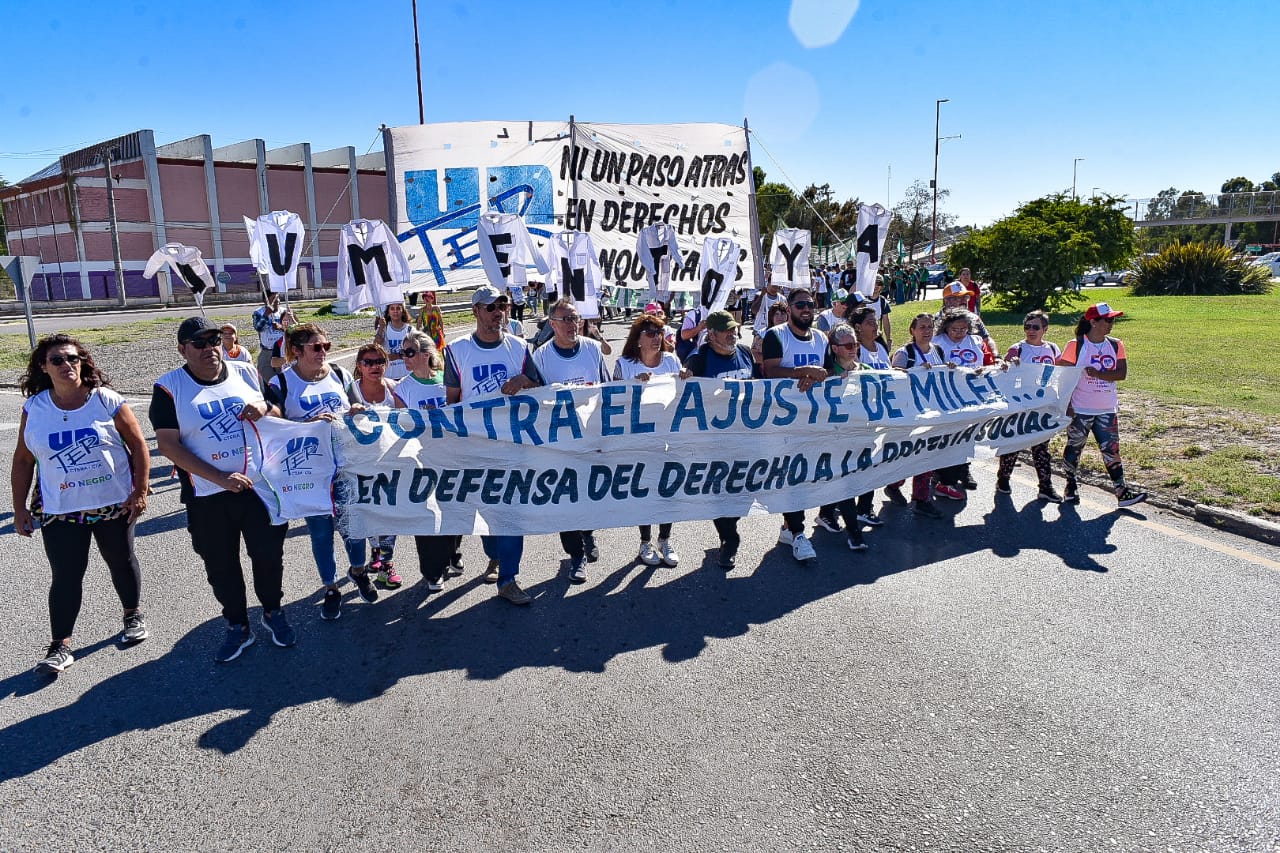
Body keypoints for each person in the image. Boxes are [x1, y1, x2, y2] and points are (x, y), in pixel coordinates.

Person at [151, 317, 293, 663]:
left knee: (268, 557)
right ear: (182, 349)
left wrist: (264, 406)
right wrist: (219, 478)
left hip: (260, 489)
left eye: (213, 339)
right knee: (221, 565)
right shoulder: (169, 387)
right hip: (208, 496)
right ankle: (237, 625)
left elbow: (277, 411)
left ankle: (273, 611)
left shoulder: (245, 372)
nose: (208, 348)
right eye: (198, 343)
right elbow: (169, 446)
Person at [12, 335, 151, 675]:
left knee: (120, 559)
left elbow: (138, 446)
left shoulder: (105, 400)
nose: (67, 365)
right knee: (66, 575)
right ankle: (60, 645)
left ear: (82, 362)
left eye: (72, 358)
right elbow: (23, 460)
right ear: (44, 368)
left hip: (111, 503)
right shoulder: (36, 408)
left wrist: (141, 491)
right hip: (60, 507)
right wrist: (19, 508)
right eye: (57, 360)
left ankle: (132, 615)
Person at [266, 323, 377, 622]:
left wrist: (355, 410)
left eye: (326, 346)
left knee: (354, 526)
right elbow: (272, 426)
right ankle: (330, 587)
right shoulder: (282, 384)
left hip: (345, 467)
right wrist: (308, 424)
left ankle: (358, 571)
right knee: (321, 533)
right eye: (317, 347)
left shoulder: (339, 374)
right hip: (309, 473)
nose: (324, 352)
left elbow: (356, 403)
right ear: (297, 351)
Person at [443, 285, 544, 605]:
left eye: (503, 304)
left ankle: (509, 579)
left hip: (512, 445)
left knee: (511, 514)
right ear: (476, 311)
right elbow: (452, 401)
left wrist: (523, 381)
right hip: (475, 447)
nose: (498, 311)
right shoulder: (457, 350)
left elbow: (540, 386)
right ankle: (495, 554)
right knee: (486, 514)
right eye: (490, 307)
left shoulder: (519, 347)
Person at [532, 299, 610, 584]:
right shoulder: (541, 356)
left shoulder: (591, 349)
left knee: (589, 493)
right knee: (566, 499)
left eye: (575, 318)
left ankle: (588, 533)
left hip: (590, 437)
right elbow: (536, 400)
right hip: (559, 441)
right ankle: (575, 557)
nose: (572, 324)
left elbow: (606, 391)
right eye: (565, 319)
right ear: (552, 324)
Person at [685, 311, 759, 569]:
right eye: (727, 330)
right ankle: (729, 539)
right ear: (711, 335)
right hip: (715, 442)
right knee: (720, 495)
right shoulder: (699, 359)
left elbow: (760, 387)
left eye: (735, 328)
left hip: (747, 438)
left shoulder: (746, 353)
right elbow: (685, 397)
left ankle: (731, 526)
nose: (733, 333)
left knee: (746, 491)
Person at [613, 314, 689, 567]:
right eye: (650, 333)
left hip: (668, 438)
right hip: (638, 440)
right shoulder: (625, 364)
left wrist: (686, 379)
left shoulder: (670, 361)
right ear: (638, 339)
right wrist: (631, 386)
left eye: (659, 332)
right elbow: (610, 400)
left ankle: (665, 539)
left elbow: (683, 396)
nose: (657, 338)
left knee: (668, 491)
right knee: (644, 491)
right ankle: (645, 542)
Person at [761, 287, 829, 564]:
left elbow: (827, 372)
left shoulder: (822, 338)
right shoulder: (776, 336)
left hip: (815, 419)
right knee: (792, 476)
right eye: (800, 304)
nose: (806, 309)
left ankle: (789, 528)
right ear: (789, 308)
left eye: (810, 304)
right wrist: (805, 371)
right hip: (783, 421)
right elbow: (771, 370)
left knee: (808, 476)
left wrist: (815, 376)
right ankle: (799, 533)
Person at [1056, 303, 1147, 508]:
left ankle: (1122, 492)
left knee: (1112, 450)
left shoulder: (1115, 345)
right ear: (1093, 322)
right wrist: (1068, 405)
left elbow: (1121, 374)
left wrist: (1099, 374)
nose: (1111, 324)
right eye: (1108, 320)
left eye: (1113, 319)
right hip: (1081, 408)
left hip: (1107, 408)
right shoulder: (1076, 345)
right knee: (1074, 447)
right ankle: (1070, 486)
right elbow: (1064, 378)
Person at [347, 343, 403, 589]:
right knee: (369, 514)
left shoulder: (394, 388)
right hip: (359, 466)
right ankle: (376, 555)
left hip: (391, 464)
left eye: (379, 361)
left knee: (390, 515)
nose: (374, 367)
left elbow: (409, 422)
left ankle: (385, 561)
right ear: (359, 366)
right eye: (368, 362)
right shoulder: (349, 391)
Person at [996, 311, 1063, 502]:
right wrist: (1009, 364)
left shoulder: (1052, 348)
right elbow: (1003, 370)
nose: (1031, 331)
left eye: (1035, 327)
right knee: (1014, 444)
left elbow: (1060, 372)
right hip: (1021, 405)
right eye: (1027, 326)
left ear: (1045, 329)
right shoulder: (1018, 349)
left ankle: (1045, 486)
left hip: (1043, 405)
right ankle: (1004, 478)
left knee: (1041, 447)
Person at [815, 323, 871, 551]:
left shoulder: (866, 370)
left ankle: (826, 513)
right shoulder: (824, 375)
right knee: (844, 482)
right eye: (848, 345)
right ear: (835, 349)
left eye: (855, 344)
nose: (853, 349)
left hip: (861, 435)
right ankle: (854, 533)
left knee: (860, 478)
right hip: (835, 438)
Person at [933, 308, 998, 498]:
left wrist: (983, 369)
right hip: (948, 399)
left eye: (963, 329)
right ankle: (945, 478)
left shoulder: (976, 341)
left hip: (972, 398)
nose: (959, 333)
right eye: (954, 329)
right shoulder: (938, 343)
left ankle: (963, 470)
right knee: (950, 439)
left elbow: (987, 363)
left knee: (968, 437)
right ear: (946, 328)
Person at [887, 313, 947, 518]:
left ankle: (921, 499)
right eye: (922, 327)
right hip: (909, 415)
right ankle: (893, 484)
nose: (927, 331)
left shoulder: (938, 351)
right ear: (912, 330)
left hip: (933, 413)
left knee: (926, 457)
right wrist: (916, 373)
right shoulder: (905, 354)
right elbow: (893, 380)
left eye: (930, 327)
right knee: (906, 456)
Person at [936, 282, 995, 352]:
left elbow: (987, 340)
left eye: (966, 297)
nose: (964, 301)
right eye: (959, 298)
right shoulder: (935, 320)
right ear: (947, 301)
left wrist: (996, 356)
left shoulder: (974, 318)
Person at [375, 301, 414, 382]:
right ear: (388, 312)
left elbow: (415, 351)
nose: (395, 311)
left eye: (398, 308)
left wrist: (399, 355)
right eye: (392, 309)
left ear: (403, 311)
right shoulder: (384, 328)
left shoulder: (410, 329)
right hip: (389, 376)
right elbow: (376, 346)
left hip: (407, 374)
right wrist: (381, 328)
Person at [252, 292, 284, 384]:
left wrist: (281, 327)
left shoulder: (284, 311)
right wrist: (266, 315)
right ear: (265, 300)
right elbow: (258, 327)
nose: (277, 301)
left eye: (278, 297)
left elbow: (293, 329)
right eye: (274, 298)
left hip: (281, 352)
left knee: (283, 380)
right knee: (268, 379)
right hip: (267, 352)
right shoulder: (258, 312)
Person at [751, 302, 791, 366]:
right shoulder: (762, 333)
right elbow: (754, 353)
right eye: (776, 314)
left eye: (783, 314)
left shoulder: (793, 333)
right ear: (771, 317)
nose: (780, 317)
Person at [868, 276, 894, 351]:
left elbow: (886, 321)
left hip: (876, 335)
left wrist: (888, 340)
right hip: (862, 335)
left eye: (879, 283)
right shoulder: (862, 298)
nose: (876, 286)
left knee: (885, 352)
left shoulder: (882, 301)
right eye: (873, 283)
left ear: (882, 287)